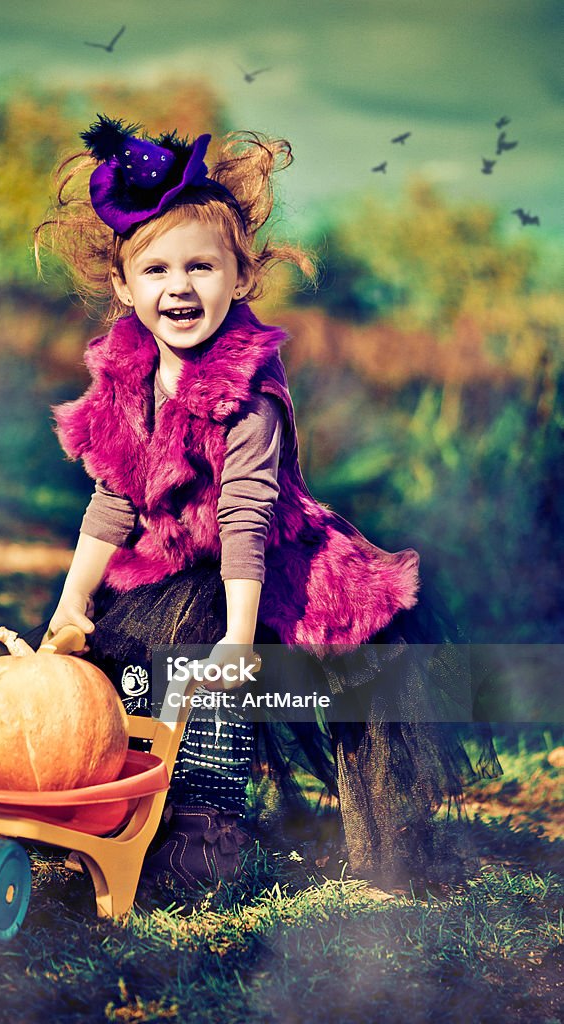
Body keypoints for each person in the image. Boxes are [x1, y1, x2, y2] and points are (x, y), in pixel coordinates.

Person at [32, 116, 501, 893]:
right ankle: (152, 819)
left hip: (269, 568)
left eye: (200, 268)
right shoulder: (126, 376)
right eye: (155, 271)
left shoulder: (247, 393)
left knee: (278, 664)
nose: (178, 287)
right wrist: (72, 604)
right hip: (181, 570)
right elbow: (113, 497)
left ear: (240, 278)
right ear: (123, 287)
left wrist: (240, 641)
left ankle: (301, 846)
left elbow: (242, 518)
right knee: (140, 670)